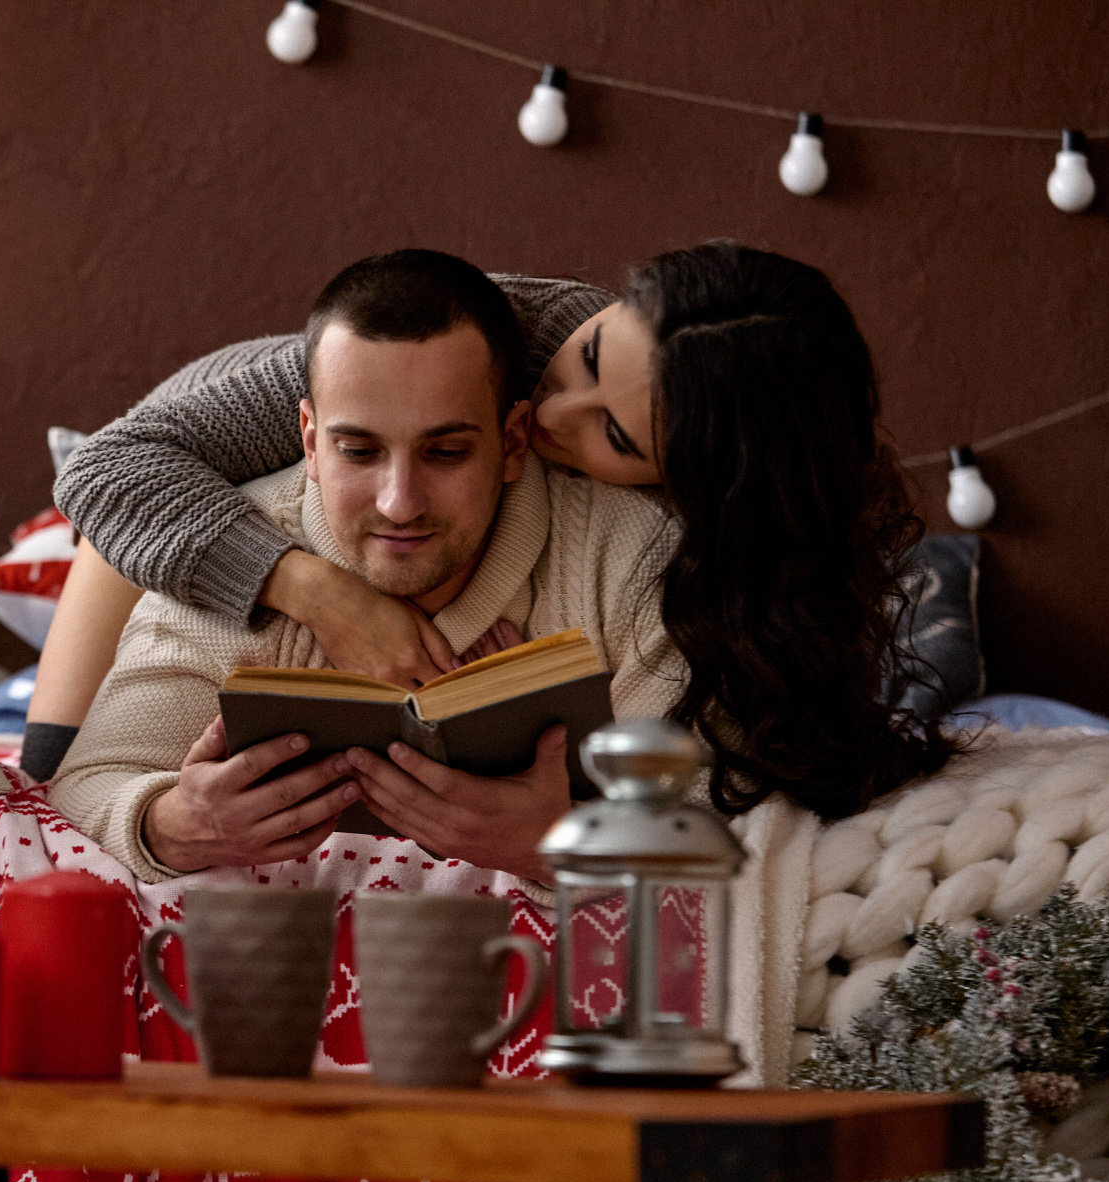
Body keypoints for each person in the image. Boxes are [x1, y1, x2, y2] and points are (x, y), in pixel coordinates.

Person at [36, 242, 951, 821]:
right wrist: (323, 593)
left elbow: (736, 773)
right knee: (46, 781)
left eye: (615, 436)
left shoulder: (663, 537)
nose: (554, 410)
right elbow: (106, 472)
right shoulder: (474, 338)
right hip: (164, 493)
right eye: (590, 356)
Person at [48, 250, 682, 886]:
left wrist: (553, 847)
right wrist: (171, 827)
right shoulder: (218, 540)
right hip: (150, 488)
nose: (399, 504)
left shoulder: (638, 553)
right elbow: (74, 801)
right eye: (358, 451)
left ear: (513, 441)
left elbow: (716, 836)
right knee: (42, 758)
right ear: (309, 440)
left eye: (447, 452)